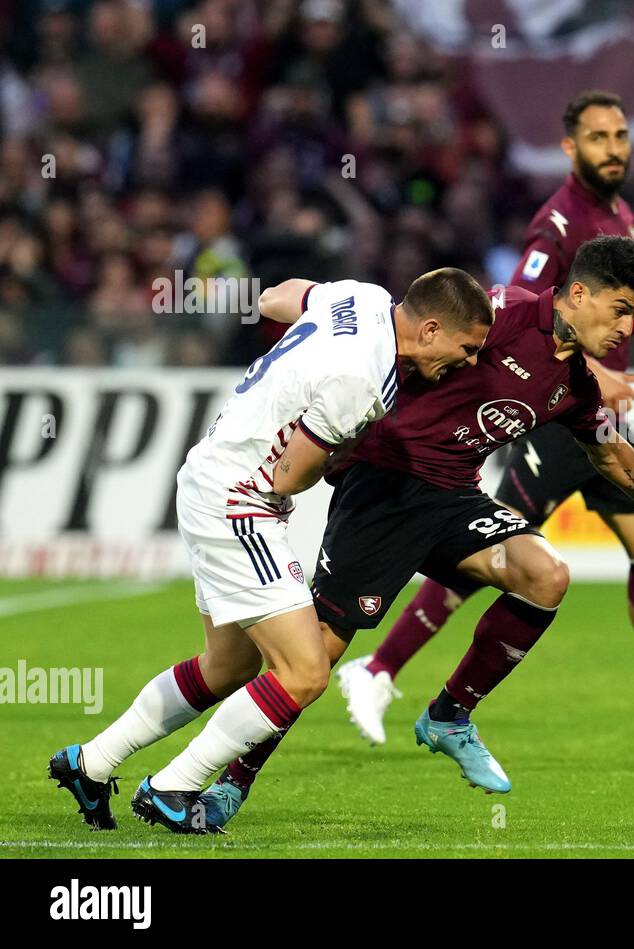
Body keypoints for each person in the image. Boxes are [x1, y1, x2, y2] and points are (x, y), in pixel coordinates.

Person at [198, 236, 634, 829]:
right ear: (579, 293)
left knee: (545, 575)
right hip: (385, 486)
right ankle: (229, 783)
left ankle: (450, 714)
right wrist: (306, 317)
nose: (626, 329)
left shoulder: (574, 383)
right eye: (621, 309)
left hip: (453, 497)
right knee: (315, 657)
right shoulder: (501, 312)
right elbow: (412, 320)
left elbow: (611, 455)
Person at [338, 89, 634, 758]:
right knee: (490, 554)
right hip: (553, 417)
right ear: (570, 147)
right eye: (598, 138)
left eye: (620, 136)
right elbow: (524, 302)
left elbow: (605, 295)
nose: (613, 149)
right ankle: (379, 668)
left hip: (591, 415)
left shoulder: (617, 213)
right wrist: (603, 371)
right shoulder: (556, 222)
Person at [48, 269, 493, 832]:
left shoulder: (362, 298)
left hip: (207, 473)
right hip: (240, 502)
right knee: (305, 672)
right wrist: (339, 455)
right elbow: (290, 475)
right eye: (467, 347)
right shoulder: (366, 380)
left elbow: (275, 298)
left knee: (229, 664)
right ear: (430, 329)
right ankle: (173, 787)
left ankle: (92, 763)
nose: (470, 362)